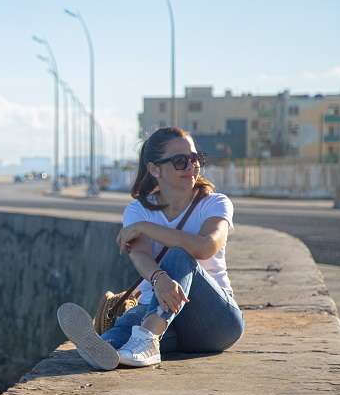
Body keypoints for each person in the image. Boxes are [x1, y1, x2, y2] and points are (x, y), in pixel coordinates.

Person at [57, 126, 245, 370]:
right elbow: (140, 254)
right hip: (167, 320)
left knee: (179, 254)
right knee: (131, 322)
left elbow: (206, 247)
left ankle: (145, 340)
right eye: (180, 161)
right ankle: (107, 346)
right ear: (155, 169)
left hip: (215, 321)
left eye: (195, 158)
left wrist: (146, 228)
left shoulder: (215, 203)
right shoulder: (138, 209)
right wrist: (159, 278)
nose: (191, 166)